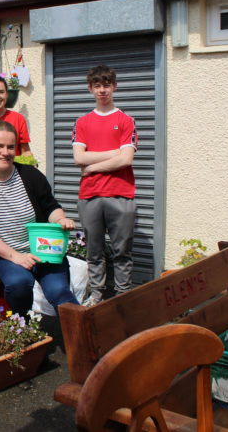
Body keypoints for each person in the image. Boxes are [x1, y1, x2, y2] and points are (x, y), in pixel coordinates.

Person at [0, 120, 78, 318]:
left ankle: (88, 338)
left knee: (59, 292)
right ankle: (21, 327)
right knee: (19, 283)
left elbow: (51, 207)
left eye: (10, 147)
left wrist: (61, 220)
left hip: (44, 250)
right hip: (7, 255)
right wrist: (16, 257)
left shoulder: (30, 175)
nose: (5, 152)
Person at [72, 65, 137, 306]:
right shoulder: (83, 122)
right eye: (97, 85)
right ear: (90, 89)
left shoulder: (126, 120)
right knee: (94, 252)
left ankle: (123, 298)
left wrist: (92, 167)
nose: (102, 90)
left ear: (114, 87)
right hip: (90, 195)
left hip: (121, 194)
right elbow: (79, 158)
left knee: (122, 252)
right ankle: (97, 296)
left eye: (106, 85)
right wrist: (112, 154)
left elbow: (126, 159)